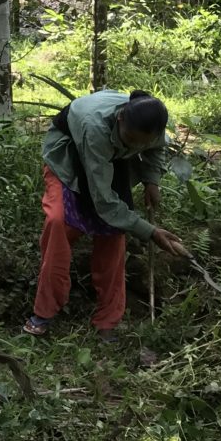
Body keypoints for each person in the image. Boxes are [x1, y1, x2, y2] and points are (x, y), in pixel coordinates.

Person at [24, 89, 190, 339]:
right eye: (131, 140)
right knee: (59, 224)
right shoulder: (95, 127)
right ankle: (45, 311)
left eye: (141, 143)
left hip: (112, 162)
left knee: (114, 234)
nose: (136, 147)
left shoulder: (148, 123)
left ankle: (108, 319)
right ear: (120, 119)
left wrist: (151, 180)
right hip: (69, 157)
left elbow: (156, 148)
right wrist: (151, 232)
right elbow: (104, 201)